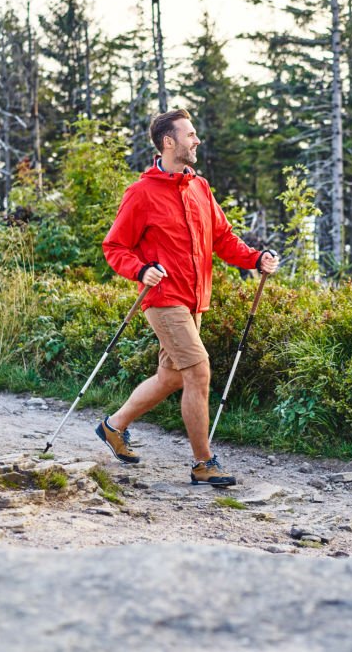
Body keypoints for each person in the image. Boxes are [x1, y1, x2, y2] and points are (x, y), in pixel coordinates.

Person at [97, 108, 279, 486]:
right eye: (190, 134)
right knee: (198, 371)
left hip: (195, 299)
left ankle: (114, 426)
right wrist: (140, 269)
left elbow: (223, 239)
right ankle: (203, 462)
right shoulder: (141, 192)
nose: (197, 141)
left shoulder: (200, 187)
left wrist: (255, 258)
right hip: (163, 298)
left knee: (171, 377)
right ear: (169, 141)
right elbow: (115, 246)